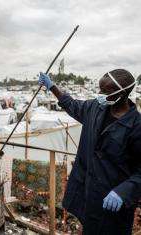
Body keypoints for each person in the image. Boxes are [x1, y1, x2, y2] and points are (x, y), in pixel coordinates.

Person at [39, 69, 141, 235]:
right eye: (99, 89)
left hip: (114, 206)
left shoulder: (136, 127)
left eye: (104, 91)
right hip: (89, 196)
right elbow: (72, 105)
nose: (99, 94)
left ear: (121, 94)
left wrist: (123, 191)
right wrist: (52, 87)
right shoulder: (96, 108)